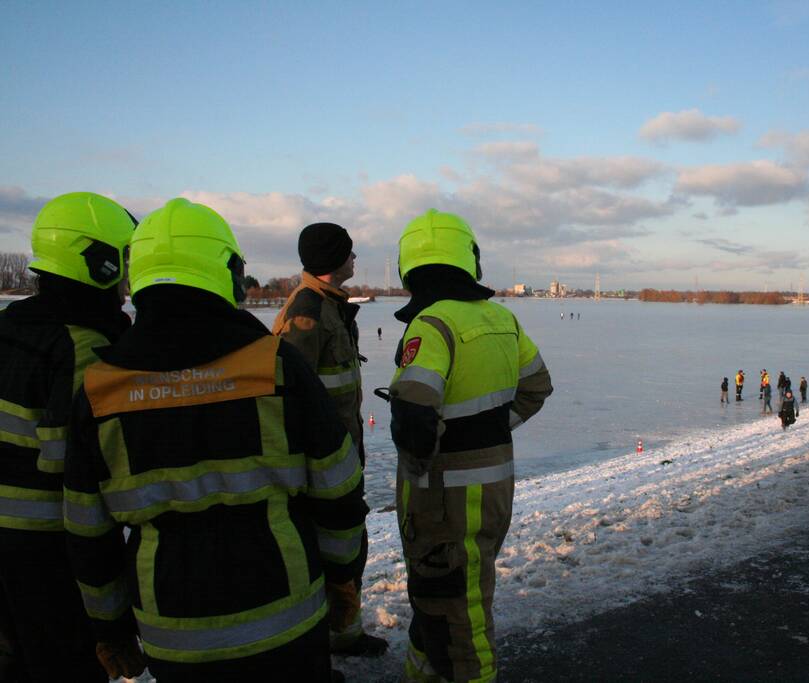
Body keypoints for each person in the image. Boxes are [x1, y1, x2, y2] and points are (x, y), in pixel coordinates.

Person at [63, 199, 367, 682]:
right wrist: (343, 576)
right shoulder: (275, 367)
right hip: (288, 616)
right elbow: (338, 490)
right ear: (229, 271)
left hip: (170, 632)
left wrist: (109, 625)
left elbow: (87, 532)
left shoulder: (100, 390)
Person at [388, 209, 552, 682]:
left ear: (409, 266)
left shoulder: (431, 324)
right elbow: (537, 387)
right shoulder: (502, 318)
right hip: (494, 488)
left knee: (461, 618)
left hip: (442, 501)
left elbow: (415, 417)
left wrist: (438, 449)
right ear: (470, 261)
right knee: (442, 604)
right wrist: (491, 432)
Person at [0, 192, 137, 682]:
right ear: (98, 264)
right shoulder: (83, 344)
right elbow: (79, 464)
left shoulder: (12, 326)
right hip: (48, 548)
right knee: (67, 663)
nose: (126, 280)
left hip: (13, 550)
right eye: (123, 261)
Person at [271, 222, 385, 656]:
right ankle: (320, 643)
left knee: (348, 547)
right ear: (333, 259)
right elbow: (289, 395)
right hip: (320, 465)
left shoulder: (329, 306)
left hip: (340, 455)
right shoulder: (307, 312)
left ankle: (343, 633)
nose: (355, 259)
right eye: (350, 252)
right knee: (331, 552)